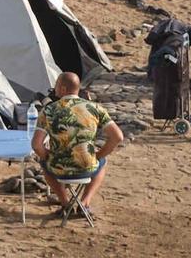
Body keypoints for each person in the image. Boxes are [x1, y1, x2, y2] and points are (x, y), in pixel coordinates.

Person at [32, 71, 123, 213]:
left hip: (59, 168)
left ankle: (65, 203)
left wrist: (48, 156)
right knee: (102, 163)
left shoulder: (48, 110)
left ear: (62, 88)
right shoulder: (95, 107)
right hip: (87, 166)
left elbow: (36, 145)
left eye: (55, 86)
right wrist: (98, 155)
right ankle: (84, 202)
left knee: (45, 164)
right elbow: (117, 137)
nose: (54, 90)